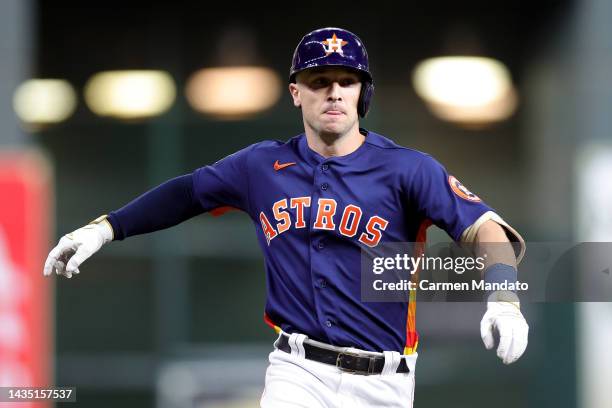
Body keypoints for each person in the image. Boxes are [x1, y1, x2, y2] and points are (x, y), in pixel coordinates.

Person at [43, 27, 529, 407]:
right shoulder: (260, 166)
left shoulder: (408, 169)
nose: (334, 92)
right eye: (319, 81)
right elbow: (187, 192)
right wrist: (104, 228)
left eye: (347, 81)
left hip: (386, 383)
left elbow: (485, 228)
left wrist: (504, 297)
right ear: (296, 92)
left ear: (363, 92)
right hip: (298, 372)